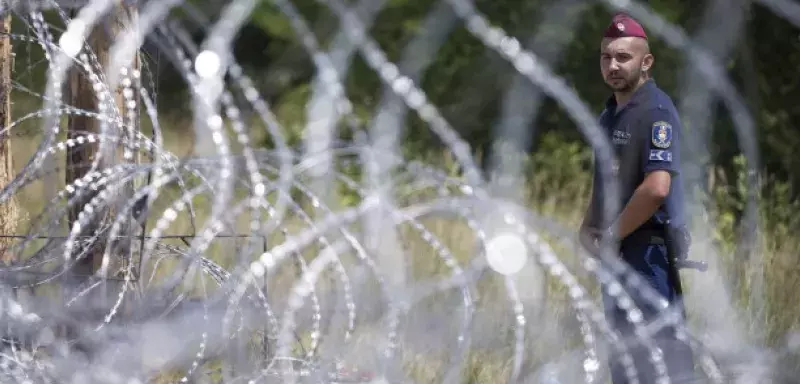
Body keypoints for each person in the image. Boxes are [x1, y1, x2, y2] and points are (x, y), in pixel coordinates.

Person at [579, 13, 696, 384]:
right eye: (605, 57)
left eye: (623, 57)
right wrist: (588, 227)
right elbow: (606, 182)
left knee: (660, 365)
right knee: (626, 366)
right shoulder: (609, 116)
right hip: (616, 256)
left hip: (647, 257)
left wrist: (611, 235)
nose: (612, 65)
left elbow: (656, 187)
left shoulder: (655, 111)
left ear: (646, 62)